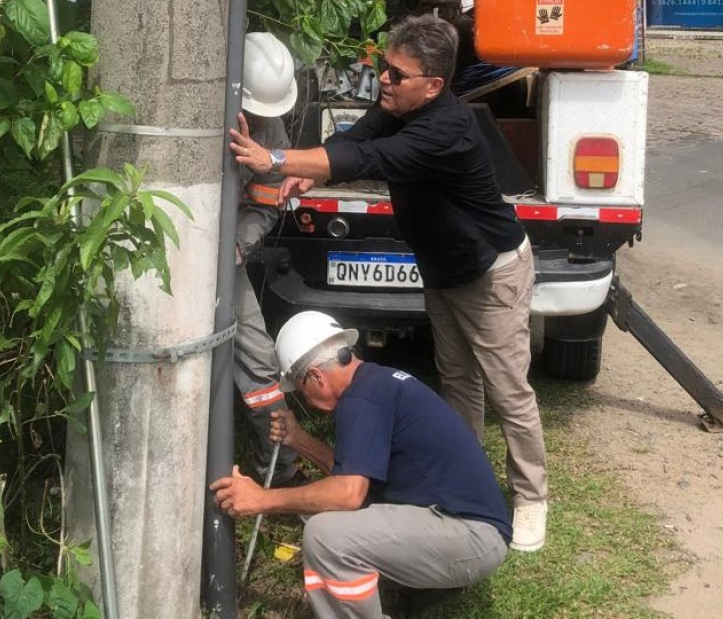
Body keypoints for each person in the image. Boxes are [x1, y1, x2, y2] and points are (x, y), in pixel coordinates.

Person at [227, 13, 549, 551]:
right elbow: (357, 138)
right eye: (385, 67)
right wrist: (311, 170)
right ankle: (458, 475)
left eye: (398, 74)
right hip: (443, 270)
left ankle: (531, 497)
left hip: (490, 272)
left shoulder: (444, 130)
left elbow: (370, 157)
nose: (384, 80)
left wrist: (275, 158)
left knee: (506, 387)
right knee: (458, 380)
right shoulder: (397, 106)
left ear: (434, 85)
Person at [210, 311, 510, 619]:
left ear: (316, 377)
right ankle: (411, 588)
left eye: (301, 391)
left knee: (326, 536)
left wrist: (261, 499)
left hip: (471, 538)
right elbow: (350, 473)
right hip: (468, 527)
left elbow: (347, 493)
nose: (307, 401)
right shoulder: (375, 385)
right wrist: (297, 439)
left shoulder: (361, 400)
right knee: (328, 510)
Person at [232, 32, 304, 487]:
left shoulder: (272, 130)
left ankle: (279, 471)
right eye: (254, 109)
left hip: (227, 263)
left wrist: (238, 244)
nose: (261, 119)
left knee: (259, 361)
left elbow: (265, 205)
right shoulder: (197, 117)